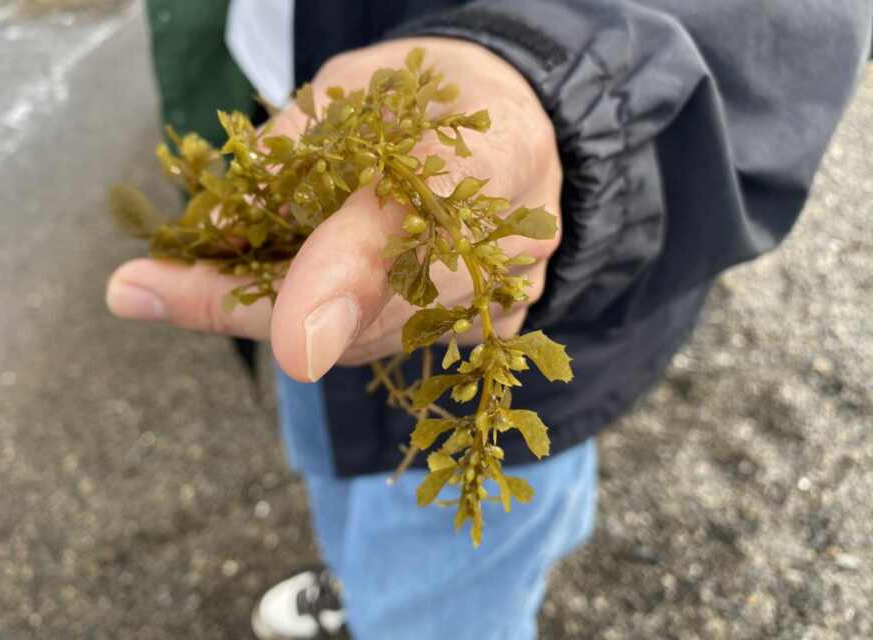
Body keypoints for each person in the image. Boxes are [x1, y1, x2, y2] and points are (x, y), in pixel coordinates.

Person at [107, 2, 872, 638]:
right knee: (329, 444)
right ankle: (355, 585)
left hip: (538, 213)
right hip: (301, 126)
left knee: (453, 564)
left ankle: (427, 604)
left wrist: (553, 75)